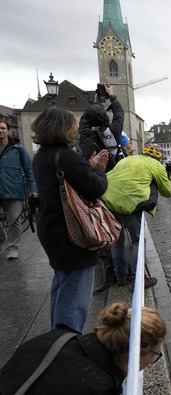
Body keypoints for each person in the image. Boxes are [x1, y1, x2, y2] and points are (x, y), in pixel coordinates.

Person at [0, 302, 171, 395]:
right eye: (155, 355)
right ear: (137, 351)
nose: (151, 362)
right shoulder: (98, 386)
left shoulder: (60, 337)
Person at [31, 107, 109, 333]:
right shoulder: (65, 156)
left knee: (62, 286)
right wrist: (99, 170)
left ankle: (57, 338)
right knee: (75, 295)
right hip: (73, 232)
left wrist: (88, 168)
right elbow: (95, 188)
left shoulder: (42, 156)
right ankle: (67, 343)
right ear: (64, 129)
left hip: (52, 228)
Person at [102, 144, 171, 289]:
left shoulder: (127, 159)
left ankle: (120, 276)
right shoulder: (156, 165)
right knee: (138, 241)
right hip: (129, 204)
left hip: (108, 199)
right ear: (158, 157)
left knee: (117, 240)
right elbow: (168, 192)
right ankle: (138, 279)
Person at [0, 121, 38, 260]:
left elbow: (29, 170)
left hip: (13, 189)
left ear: (8, 131)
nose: (1, 131)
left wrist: (33, 188)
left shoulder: (18, 148)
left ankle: (13, 248)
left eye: (3, 128)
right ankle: (2, 237)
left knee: (14, 220)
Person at [78, 84, 124, 172]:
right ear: (105, 116)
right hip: (114, 172)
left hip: (94, 174)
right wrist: (112, 96)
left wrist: (96, 103)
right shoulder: (113, 130)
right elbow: (119, 113)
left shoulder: (84, 131)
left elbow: (84, 118)